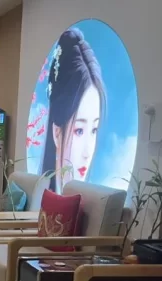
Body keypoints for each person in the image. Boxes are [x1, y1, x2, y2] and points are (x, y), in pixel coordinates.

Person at [42, 28, 106, 193]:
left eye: (94, 130)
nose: (87, 152)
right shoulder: (44, 195)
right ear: (57, 132)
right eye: (79, 130)